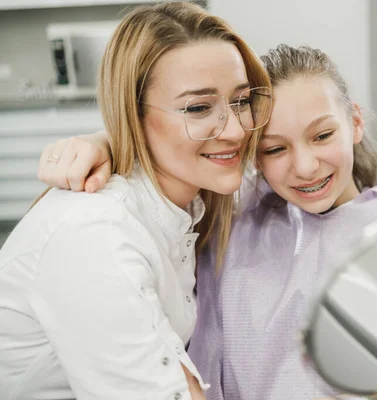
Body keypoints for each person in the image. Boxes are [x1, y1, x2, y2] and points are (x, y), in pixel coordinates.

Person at [36, 44, 377, 400]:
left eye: (323, 135)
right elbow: (174, 152)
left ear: (354, 123)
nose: (306, 167)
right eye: (275, 149)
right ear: (250, 151)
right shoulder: (232, 210)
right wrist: (106, 142)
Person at [0, 2, 272, 399]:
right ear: (134, 113)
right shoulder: (94, 235)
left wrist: (106, 140)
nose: (234, 130)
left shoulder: (196, 203)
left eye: (241, 100)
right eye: (199, 107)